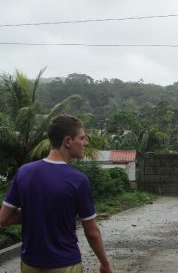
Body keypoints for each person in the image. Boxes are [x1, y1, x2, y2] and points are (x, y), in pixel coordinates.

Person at [0, 115, 113, 273]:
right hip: (64, 264)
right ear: (67, 141)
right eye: (82, 138)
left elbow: (4, 218)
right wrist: (105, 264)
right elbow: (92, 232)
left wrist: (36, 209)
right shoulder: (78, 180)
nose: (85, 142)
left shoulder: (24, 172)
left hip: (29, 264)